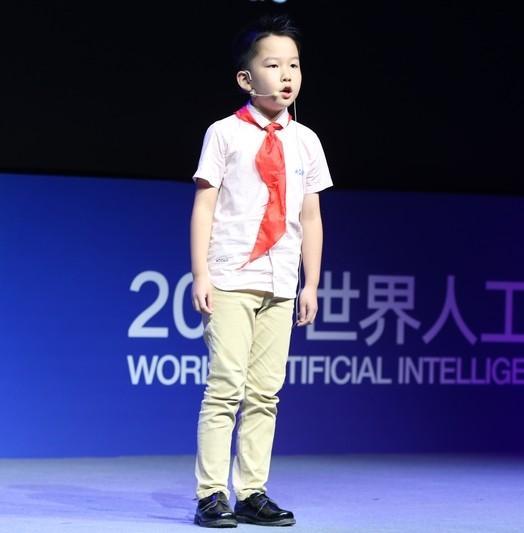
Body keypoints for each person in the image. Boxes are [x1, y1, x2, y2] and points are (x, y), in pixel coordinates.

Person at [189, 13, 333, 528]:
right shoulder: (224, 133)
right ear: (246, 78)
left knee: (265, 393)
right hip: (231, 276)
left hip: (280, 281)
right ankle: (211, 494)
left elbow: (310, 216)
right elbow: (205, 205)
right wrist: (201, 274)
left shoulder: (306, 140)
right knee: (225, 387)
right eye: (273, 65)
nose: (286, 75)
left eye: (294, 64)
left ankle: (252, 492)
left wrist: (310, 283)